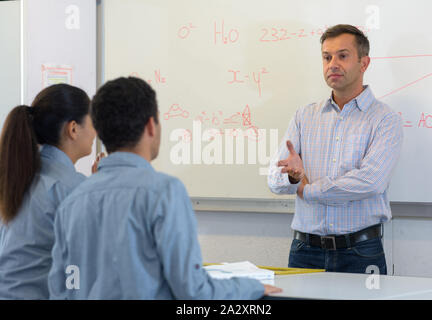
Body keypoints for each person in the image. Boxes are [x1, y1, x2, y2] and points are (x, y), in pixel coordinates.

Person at [48, 77, 281, 299]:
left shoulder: (73, 198)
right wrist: (251, 287)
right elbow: (193, 290)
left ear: (99, 131)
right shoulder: (164, 192)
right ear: (151, 126)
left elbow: (60, 289)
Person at [268, 24, 403, 274]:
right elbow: (275, 181)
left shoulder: (385, 119)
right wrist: (293, 177)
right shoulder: (304, 116)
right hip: (304, 250)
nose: (332, 64)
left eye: (343, 56)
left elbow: (370, 182)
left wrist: (308, 190)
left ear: (364, 63)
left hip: (361, 252)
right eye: (326, 57)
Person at [0, 84, 97, 299]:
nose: (96, 132)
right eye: (92, 122)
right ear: (73, 129)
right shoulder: (72, 189)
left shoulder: (16, 179)